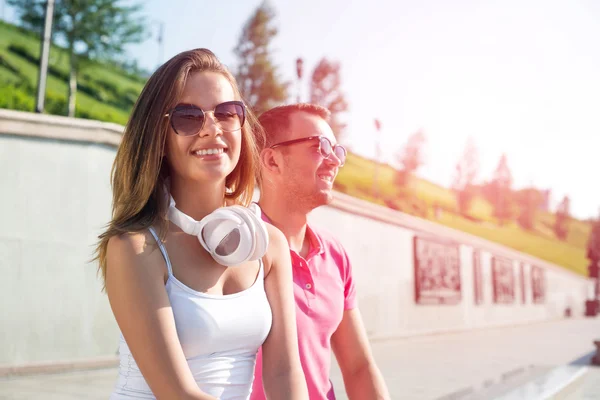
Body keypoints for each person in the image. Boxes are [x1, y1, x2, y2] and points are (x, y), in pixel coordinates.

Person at [95, 48, 308, 400]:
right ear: (159, 138)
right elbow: (178, 393)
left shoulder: (270, 244)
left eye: (227, 113)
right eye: (188, 117)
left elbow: (285, 372)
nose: (212, 129)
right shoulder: (136, 248)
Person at [251, 104, 391, 400]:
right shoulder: (238, 245)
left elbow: (359, 367)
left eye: (337, 151)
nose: (334, 161)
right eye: (319, 147)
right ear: (273, 160)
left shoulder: (335, 254)